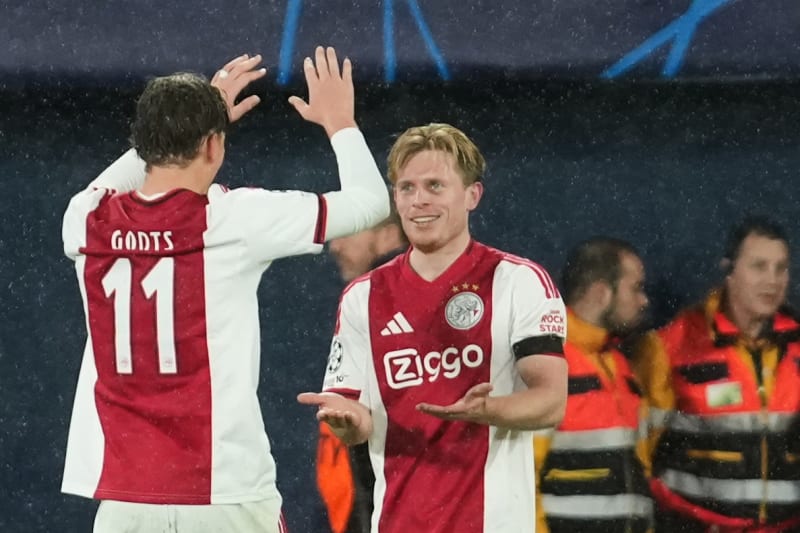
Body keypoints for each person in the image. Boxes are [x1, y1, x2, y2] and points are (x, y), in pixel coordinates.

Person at [60, 47, 390, 533]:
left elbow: (114, 181)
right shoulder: (232, 219)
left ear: (144, 144)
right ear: (215, 146)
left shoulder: (85, 222)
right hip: (224, 492)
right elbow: (369, 203)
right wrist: (341, 122)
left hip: (127, 500)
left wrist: (186, 121)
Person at [298, 123, 569, 533]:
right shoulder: (362, 296)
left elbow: (551, 401)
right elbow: (358, 417)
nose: (419, 200)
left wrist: (487, 411)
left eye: (435, 186)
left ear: (472, 195)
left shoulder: (519, 281)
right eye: (406, 188)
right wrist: (348, 421)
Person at [634, 216, 800, 532]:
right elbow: (638, 452)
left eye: (781, 268)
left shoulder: (796, 346)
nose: (772, 280)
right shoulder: (672, 346)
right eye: (759, 266)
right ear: (729, 272)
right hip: (695, 526)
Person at [534, 237, 652, 533]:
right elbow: (519, 478)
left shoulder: (620, 368)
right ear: (601, 293)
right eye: (635, 288)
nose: (644, 300)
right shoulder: (548, 363)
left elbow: (638, 477)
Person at [317, 211, 408, 533]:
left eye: (346, 231)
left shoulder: (387, 299)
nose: (334, 246)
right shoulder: (368, 300)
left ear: (387, 234)